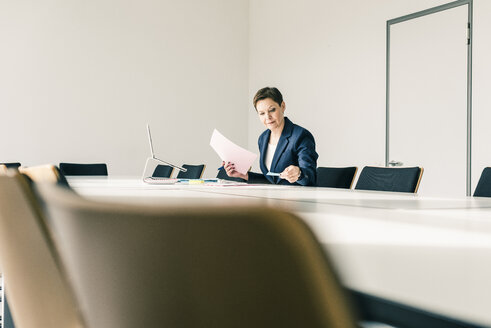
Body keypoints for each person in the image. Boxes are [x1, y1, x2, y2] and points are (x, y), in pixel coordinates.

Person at [223, 87, 318, 186]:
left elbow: (310, 178)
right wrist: (244, 175)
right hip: (273, 198)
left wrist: (299, 173)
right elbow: (273, 180)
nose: (267, 117)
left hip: (297, 199)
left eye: (272, 110)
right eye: (262, 113)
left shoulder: (300, 135)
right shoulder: (263, 138)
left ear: (282, 106)